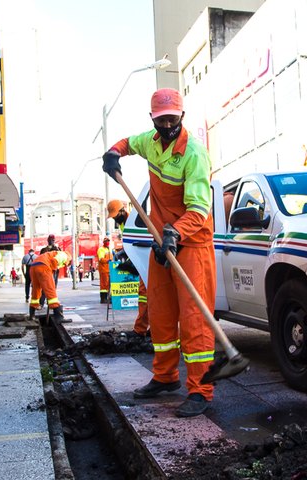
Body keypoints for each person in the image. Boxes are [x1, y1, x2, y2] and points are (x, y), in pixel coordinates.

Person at [102, 88, 216, 418]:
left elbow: (199, 210)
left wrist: (175, 234)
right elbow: (128, 143)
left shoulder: (194, 153)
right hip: (160, 240)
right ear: (152, 119)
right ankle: (165, 377)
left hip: (191, 243)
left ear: (182, 116)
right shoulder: (150, 141)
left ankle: (200, 389)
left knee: (195, 319)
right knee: (161, 313)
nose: (167, 124)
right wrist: (114, 152)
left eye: (172, 118)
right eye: (161, 119)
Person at [107, 199, 149, 338]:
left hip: (147, 261)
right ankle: (143, 328)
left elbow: (141, 242)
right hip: (142, 260)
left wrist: (130, 257)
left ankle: (141, 329)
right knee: (146, 296)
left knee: (145, 295)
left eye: (115, 215)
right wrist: (125, 253)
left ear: (122, 210)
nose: (114, 219)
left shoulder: (135, 220)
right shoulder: (124, 223)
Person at [28, 246, 69, 324]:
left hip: (33, 266)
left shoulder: (50, 254)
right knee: (50, 289)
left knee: (36, 289)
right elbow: (54, 261)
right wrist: (52, 272)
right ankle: (58, 316)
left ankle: (32, 314)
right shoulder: (64, 255)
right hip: (43, 266)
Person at [97, 237, 112, 304]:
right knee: (104, 285)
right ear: (104, 242)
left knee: (107, 284)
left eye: (108, 241)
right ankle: (103, 299)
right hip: (104, 269)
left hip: (108, 269)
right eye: (106, 241)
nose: (107, 242)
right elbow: (101, 259)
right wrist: (108, 261)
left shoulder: (108, 249)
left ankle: (107, 298)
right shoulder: (101, 250)